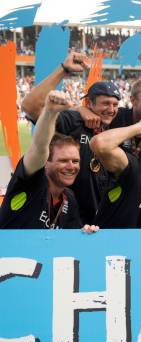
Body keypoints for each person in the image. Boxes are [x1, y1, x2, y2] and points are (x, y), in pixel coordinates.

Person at [20, 52, 133, 224]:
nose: (111, 109)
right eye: (105, 103)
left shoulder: (118, 124)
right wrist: (64, 70)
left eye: (115, 104)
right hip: (68, 219)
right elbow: (30, 106)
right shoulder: (75, 121)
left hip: (103, 220)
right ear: (90, 104)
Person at [0, 90, 97, 232]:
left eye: (75, 161)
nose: (71, 166)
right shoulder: (30, 183)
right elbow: (40, 146)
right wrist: (50, 112)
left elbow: (71, 238)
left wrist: (84, 232)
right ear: (46, 163)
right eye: (63, 160)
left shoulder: (69, 199)